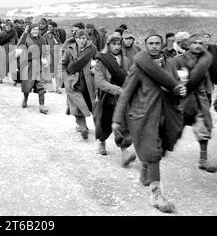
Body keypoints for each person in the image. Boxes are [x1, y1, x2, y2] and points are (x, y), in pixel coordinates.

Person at [112, 29, 186, 213]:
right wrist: (116, 120)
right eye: (150, 43)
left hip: (165, 114)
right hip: (144, 116)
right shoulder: (139, 66)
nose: (154, 46)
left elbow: (175, 83)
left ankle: (146, 168)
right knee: (153, 152)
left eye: (157, 43)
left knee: (161, 149)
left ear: (162, 44)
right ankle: (156, 196)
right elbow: (126, 93)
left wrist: (180, 90)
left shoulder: (169, 63)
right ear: (146, 44)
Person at [173, 34, 217, 173]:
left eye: (200, 43)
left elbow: (208, 80)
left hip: (200, 100)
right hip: (181, 101)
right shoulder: (178, 60)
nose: (198, 45)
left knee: (203, 129)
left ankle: (203, 160)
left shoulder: (206, 60)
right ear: (188, 44)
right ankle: (151, 158)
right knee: (169, 129)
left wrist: (209, 95)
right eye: (194, 42)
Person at [93, 34, 136, 166]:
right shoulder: (101, 60)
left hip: (121, 99)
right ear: (108, 45)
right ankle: (101, 141)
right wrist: (117, 90)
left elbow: (130, 76)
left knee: (122, 124)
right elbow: (99, 81)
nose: (117, 47)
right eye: (114, 44)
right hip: (105, 97)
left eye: (118, 44)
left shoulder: (126, 60)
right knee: (103, 122)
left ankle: (124, 152)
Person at [62, 29, 98, 139]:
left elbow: (100, 61)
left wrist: (96, 67)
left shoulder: (92, 49)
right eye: (79, 38)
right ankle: (83, 127)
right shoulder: (69, 50)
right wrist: (66, 79)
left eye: (84, 38)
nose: (82, 40)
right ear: (76, 39)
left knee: (92, 104)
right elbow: (63, 65)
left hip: (88, 82)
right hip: (74, 82)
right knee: (77, 104)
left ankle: (99, 127)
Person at [18, 23, 50, 114]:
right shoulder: (26, 38)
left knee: (41, 85)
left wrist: (45, 59)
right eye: (33, 30)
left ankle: (42, 105)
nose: (35, 31)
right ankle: (25, 98)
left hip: (38, 64)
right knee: (27, 85)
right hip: (27, 64)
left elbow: (45, 50)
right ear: (30, 30)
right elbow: (19, 44)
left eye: (37, 29)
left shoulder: (42, 39)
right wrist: (24, 33)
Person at [43, 21, 63, 93]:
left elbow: (60, 43)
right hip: (49, 55)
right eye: (48, 27)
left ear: (55, 28)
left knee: (57, 71)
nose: (49, 29)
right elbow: (44, 45)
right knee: (49, 71)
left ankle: (57, 88)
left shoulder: (58, 34)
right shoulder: (45, 35)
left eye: (50, 27)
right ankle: (49, 87)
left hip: (57, 54)